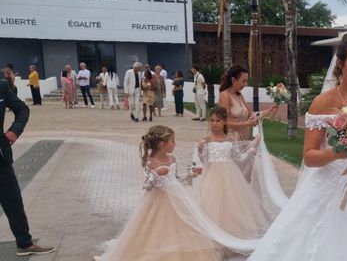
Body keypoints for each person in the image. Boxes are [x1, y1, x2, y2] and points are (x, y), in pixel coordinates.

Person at [248, 33, 347, 261]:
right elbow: (309, 156)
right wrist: (337, 153)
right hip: (326, 189)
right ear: (341, 63)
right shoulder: (323, 102)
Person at [92, 125, 250, 261]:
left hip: (177, 199)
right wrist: (155, 174)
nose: (175, 144)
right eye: (172, 141)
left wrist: (191, 174)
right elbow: (147, 185)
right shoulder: (150, 162)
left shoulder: (172, 159)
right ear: (162, 144)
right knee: (154, 229)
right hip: (157, 201)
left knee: (183, 228)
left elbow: (177, 179)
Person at [193, 107, 276, 240]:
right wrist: (200, 149)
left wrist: (251, 150)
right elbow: (203, 160)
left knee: (231, 204)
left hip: (230, 176)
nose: (214, 124)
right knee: (213, 203)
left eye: (218, 121)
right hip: (212, 176)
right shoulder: (207, 139)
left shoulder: (230, 139)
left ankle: (231, 233)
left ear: (225, 122)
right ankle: (213, 235)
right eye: (212, 120)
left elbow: (238, 158)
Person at [0, 78, 56, 256]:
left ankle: (24, 243)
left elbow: (22, 109)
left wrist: (14, 131)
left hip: (0, 158)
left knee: (13, 201)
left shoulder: (1, 86)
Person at [217, 66, 259, 139]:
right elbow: (224, 122)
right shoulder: (225, 96)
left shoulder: (239, 95)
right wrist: (246, 124)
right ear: (233, 80)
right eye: (243, 81)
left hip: (243, 139)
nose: (246, 84)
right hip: (231, 140)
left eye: (246, 81)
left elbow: (251, 114)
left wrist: (269, 111)